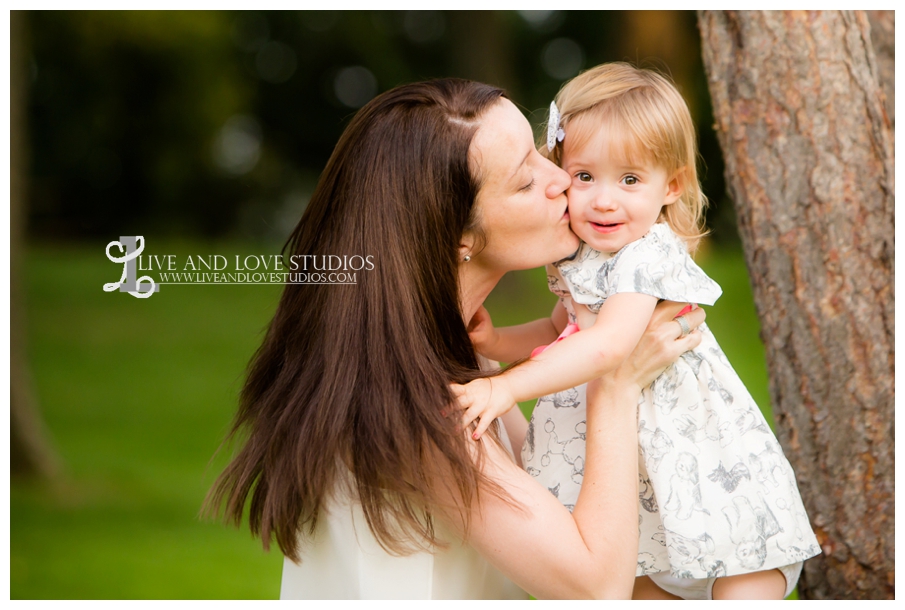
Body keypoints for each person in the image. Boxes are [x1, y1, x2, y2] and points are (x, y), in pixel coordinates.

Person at [204, 78, 706, 600]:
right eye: (524, 181)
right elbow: (595, 587)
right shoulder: (419, 405)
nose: (560, 178)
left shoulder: (454, 357)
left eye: (540, 153)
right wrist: (616, 380)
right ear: (457, 234)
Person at [457, 64, 821, 600]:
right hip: (633, 460)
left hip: (697, 453)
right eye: (584, 177)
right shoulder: (577, 260)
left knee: (741, 568)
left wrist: (505, 385)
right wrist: (494, 343)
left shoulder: (646, 255)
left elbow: (607, 345)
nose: (604, 199)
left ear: (670, 185)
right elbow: (563, 331)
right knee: (636, 575)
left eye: (629, 180)